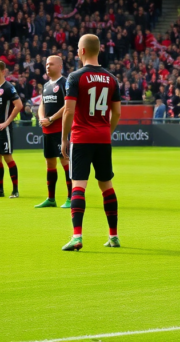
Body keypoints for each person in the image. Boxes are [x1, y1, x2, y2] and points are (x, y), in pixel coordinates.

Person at [60, 34, 122, 251]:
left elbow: (68, 111)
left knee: (79, 185)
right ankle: (113, 236)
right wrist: (107, 131)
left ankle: (77, 237)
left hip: (82, 137)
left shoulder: (75, 77)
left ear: (82, 51)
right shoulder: (112, 78)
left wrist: (64, 138)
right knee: (107, 185)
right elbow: (117, 112)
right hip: (103, 138)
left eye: (78, 48)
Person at [34, 55, 72, 209]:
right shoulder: (46, 85)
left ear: (60, 66)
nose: (47, 66)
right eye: (46, 64)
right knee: (50, 162)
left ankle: (71, 198)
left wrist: (51, 119)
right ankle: (51, 198)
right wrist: (42, 117)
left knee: (65, 161)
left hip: (61, 129)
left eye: (51, 64)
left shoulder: (65, 83)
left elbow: (68, 105)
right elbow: (42, 103)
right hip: (47, 129)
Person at [0, 60, 23, 198]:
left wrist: (7, 122)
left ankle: (15, 190)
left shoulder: (8, 88)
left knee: (8, 157)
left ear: (3, 72)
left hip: (3, 129)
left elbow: (19, 105)